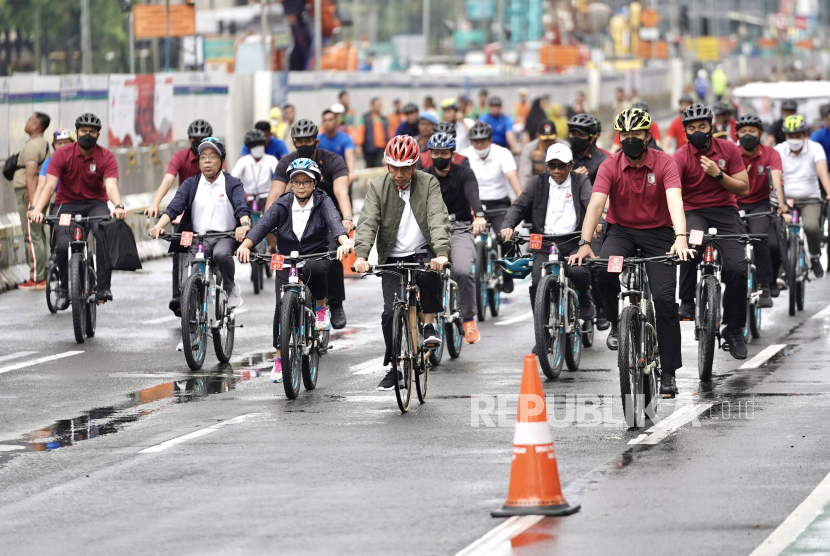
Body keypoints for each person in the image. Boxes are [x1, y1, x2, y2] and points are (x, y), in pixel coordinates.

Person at [568, 108, 695, 398]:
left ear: (648, 135)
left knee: (664, 300)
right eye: (624, 134)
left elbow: (675, 201)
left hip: (660, 234)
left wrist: (680, 237)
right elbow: (597, 205)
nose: (630, 138)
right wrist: (585, 242)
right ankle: (615, 323)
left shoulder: (665, 163)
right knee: (602, 268)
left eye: (636, 133)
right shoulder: (610, 166)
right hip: (621, 232)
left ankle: (669, 373)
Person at [237, 159, 352, 383]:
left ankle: (321, 308)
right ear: (290, 183)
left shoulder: (323, 200)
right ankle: (280, 360)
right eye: (296, 182)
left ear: (315, 183)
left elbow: (334, 221)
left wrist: (344, 241)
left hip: (313, 254)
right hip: (286, 258)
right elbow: (263, 225)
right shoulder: (282, 203)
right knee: (280, 309)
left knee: (318, 267)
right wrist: (245, 245)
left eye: (306, 182)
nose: (301, 186)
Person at [352, 135, 451, 391]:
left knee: (430, 276)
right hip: (392, 258)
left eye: (404, 167)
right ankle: (395, 367)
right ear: (387, 166)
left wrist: (440, 253)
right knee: (389, 313)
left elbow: (437, 217)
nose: (398, 173)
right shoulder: (377, 186)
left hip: (422, 253)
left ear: (414, 166)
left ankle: (428, 325)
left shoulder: (428, 183)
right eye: (393, 167)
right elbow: (368, 221)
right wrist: (361, 256)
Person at [673, 103, 751, 359]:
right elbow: (671, 193)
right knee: (691, 245)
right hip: (694, 213)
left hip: (726, 212)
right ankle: (686, 299)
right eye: (692, 128)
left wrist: (719, 175)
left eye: (702, 127)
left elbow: (743, 189)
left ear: (712, 127)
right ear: (686, 131)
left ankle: (734, 328)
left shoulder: (729, 149)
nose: (697, 132)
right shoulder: (681, 156)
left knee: (738, 268)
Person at [149, 138, 251, 327]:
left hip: (224, 236)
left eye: (212, 157)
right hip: (198, 238)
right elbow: (174, 207)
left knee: (221, 255)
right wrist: (159, 225)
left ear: (221, 160)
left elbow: (241, 207)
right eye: (203, 157)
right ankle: (191, 332)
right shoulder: (191, 184)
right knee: (188, 283)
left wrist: (244, 225)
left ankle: (229, 287)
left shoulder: (232, 184)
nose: (207, 161)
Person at [29, 113, 127, 307]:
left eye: (92, 132)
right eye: (83, 131)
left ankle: (103, 287)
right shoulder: (61, 155)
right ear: (76, 132)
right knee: (64, 244)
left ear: (98, 135)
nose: (87, 135)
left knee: (103, 231)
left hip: (96, 203)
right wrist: (38, 209)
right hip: (67, 205)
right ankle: (64, 291)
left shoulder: (106, 156)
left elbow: (111, 186)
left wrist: (118, 206)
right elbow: (49, 187)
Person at [265, 119, 354, 329]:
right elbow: (275, 194)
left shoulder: (333, 160)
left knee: (331, 256)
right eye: (299, 140)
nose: (304, 143)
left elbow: (341, 192)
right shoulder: (286, 162)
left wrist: (347, 218)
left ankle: (335, 303)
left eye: (308, 139)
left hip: (328, 219)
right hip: (296, 220)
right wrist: (267, 223)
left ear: (317, 140)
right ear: (294, 142)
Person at [501, 144, 595, 326]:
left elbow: (590, 203)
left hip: (573, 241)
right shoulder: (539, 182)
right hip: (544, 243)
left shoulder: (580, 181)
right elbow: (519, 206)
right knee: (537, 282)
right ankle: (542, 334)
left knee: (578, 272)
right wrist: (508, 225)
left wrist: (598, 223)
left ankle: (584, 296)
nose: (557, 170)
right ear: (547, 166)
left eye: (561, 166)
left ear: (570, 165)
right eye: (552, 166)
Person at [146, 118, 215, 315]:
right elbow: (168, 180)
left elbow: (225, 182)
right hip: (186, 213)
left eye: (203, 140)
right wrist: (155, 203)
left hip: (210, 213)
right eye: (195, 139)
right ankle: (178, 294)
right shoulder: (180, 157)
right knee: (179, 249)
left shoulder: (216, 158)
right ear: (189, 139)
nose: (199, 144)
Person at [423, 132, 485, 343]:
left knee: (463, 270)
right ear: (430, 154)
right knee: (425, 273)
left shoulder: (464, 173)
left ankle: (468, 319)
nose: (441, 156)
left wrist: (479, 215)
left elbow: (473, 194)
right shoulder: (422, 177)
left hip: (460, 228)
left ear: (452, 154)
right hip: (430, 231)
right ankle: (427, 323)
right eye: (437, 152)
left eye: (445, 153)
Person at [460, 121, 523, 293]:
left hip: (499, 203)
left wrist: (520, 202)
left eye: (483, 141)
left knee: (506, 236)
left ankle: (507, 273)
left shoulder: (502, 153)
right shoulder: (464, 155)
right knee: (463, 237)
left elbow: (513, 178)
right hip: (474, 204)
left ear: (490, 140)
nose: (479, 145)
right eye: (475, 141)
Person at [735, 114, 786, 304]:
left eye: (752, 131)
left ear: (760, 134)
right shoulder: (731, 153)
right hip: (734, 203)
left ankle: (765, 283)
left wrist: (780, 202)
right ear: (737, 134)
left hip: (760, 204)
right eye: (743, 131)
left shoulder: (771, 154)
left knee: (763, 238)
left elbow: (776, 182)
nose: (747, 135)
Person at [775, 114, 830, 278]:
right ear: (785, 136)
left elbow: (823, 174)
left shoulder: (815, 148)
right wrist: (780, 202)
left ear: (804, 135)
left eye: (797, 135)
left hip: (810, 199)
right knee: (778, 232)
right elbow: (776, 179)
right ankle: (781, 266)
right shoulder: (779, 150)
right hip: (785, 200)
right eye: (790, 136)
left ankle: (814, 256)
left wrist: (829, 192)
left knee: (812, 228)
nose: (794, 139)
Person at [15, 111, 51, 290]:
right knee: (39, 235)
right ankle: (44, 275)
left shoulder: (32, 146)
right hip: (38, 195)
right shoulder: (43, 143)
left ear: (36, 125)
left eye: (30, 120)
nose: (27, 122)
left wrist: (32, 204)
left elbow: (30, 176)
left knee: (31, 235)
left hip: (29, 195)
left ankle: (37, 278)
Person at [33, 128, 75, 218]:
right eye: (59, 143)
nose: (63, 146)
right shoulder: (49, 162)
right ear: (53, 146)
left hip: (84, 201)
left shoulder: (80, 159)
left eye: (66, 142)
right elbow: (41, 186)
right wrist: (33, 208)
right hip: (64, 202)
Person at [231, 129, 279, 203]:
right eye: (254, 145)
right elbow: (232, 178)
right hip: (247, 198)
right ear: (249, 148)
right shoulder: (244, 160)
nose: (258, 147)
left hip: (267, 197)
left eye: (260, 144)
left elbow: (280, 176)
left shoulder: (271, 159)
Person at [519, 120, 568, 187]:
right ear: (538, 135)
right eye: (545, 140)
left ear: (556, 135)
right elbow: (525, 175)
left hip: (560, 185)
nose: (548, 143)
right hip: (537, 187)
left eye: (551, 139)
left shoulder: (565, 147)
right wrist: (523, 195)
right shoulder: (529, 149)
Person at [568, 113, 608, 185]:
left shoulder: (602, 161)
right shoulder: (561, 156)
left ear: (592, 138)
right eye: (573, 134)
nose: (576, 138)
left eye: (581, 134)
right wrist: (570, 177)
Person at [318, 109, 356, 182]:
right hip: (324, 177)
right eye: (325, 120)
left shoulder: (346, 138)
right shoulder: (317, 140)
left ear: (336, 121)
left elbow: (349, 156)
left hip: (342, 174)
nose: (327, 123)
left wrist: (351, 172)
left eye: (330, 120)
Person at [355, 98, 389, 169]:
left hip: (382, 148)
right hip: (369, 148)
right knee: (369, 166)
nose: (379, 106)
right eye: (377, 105)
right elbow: (360, 131)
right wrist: (358, 145)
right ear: (372, 106)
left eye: (380, 105)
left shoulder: (383, 118)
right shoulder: (365, 118)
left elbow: (388, 132)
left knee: (380, 167)